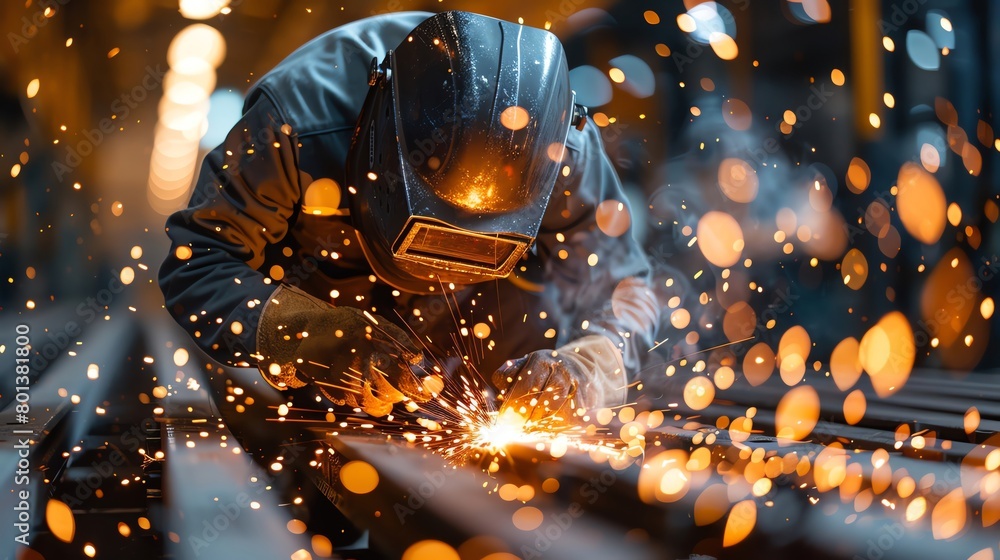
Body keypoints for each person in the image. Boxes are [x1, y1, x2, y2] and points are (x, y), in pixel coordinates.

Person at [158, 10, 659, 423]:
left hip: (495, 376)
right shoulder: (296, 122)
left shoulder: (560, 152)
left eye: (476, 246)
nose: (438, 276)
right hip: (335, 372)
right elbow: (198, 260)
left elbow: (628, 288)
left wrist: (589, 368)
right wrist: (311, 335)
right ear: (382, 153)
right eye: (434, 236)